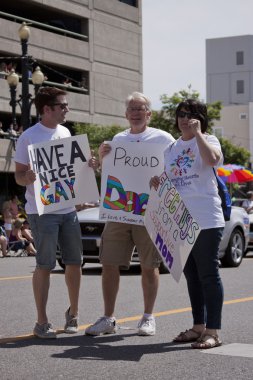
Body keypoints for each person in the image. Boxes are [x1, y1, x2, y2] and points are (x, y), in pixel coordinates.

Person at [85, 91, 175, 337]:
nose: (136, 113)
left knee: (149, 265)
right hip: (119, 213)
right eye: (132, 109)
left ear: (149, 113)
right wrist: (101, 159)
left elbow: (175, 170)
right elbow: (111, 175)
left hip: (149, 212)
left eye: (141, 108)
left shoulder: (163, 138)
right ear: (126, 114)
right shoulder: (117, 140)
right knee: (109, 264)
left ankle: (147, 317)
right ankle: (108, 318)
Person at [14, 86, 98, 339]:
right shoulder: (28, 136)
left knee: (74, 262)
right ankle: (42, 321)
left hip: (68, 209)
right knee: (45, 264)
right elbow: (18, 176)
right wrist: (26, 177)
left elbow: (73, 170)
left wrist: (89, 165)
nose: (67, 109)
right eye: (63, 106)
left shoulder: (65, 132)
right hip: (42, 211)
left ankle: (73, 313)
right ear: (47, 109)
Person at [150, 99, 225, 349]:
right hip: (181, 219)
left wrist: (199, 134)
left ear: (201, 119)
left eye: (191, 115)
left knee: (208, 274)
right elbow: (171, 180)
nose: (185, 119)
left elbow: (213, 160)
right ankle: (198, 327)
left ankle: (213, 331)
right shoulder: (171, 148)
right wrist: (159, 184)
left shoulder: (209, 140)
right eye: (181, 114)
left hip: (206, 217)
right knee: (192, 275)